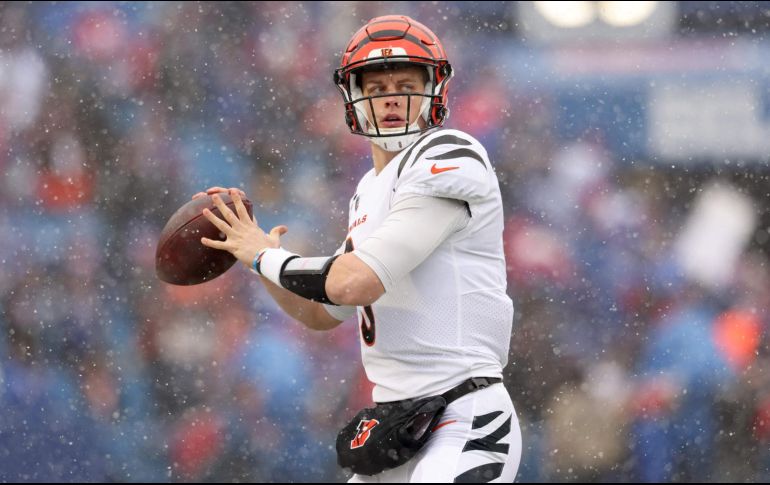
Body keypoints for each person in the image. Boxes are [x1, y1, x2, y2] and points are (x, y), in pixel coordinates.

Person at [194, 14, 521, 483]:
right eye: (376, 85)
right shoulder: (369, 189)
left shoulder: (451, 153)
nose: (391, 96)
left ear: (435, 91)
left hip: (465, 417)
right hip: (398, 425)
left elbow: (353, 281)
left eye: (406, 82)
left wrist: (265, 257)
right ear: (353, 97)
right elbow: (322, 313)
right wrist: (258, 263)